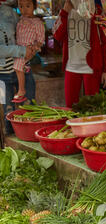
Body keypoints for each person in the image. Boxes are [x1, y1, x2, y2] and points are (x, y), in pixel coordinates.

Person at [52, 0, 106, 108]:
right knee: (70, 108)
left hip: (92, 67)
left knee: (93, 109)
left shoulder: (97, 10)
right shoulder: (66, 9)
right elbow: (56, 35)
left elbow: (105, 41)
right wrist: (64, 12)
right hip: (71, 66)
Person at [0, 0, 38, 134]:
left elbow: (24, 32)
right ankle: (12, 148)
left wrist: (33, 47)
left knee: (30, 110)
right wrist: (21, 50)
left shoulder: (8, 12)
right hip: (2, 76)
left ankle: (31, 139)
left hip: (23, 68)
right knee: (8, 113)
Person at [12, 0, 45, 103]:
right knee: (20, 65)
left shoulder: (37, 22)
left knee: (17, 65)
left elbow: (41, 39)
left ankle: (21, 90)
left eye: (27, 6)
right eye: (21, 6)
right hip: (19, 49)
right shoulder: (20, 19)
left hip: (29, 49)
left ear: (34, 6)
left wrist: (34, 48)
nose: (24, 9)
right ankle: (25, 68)